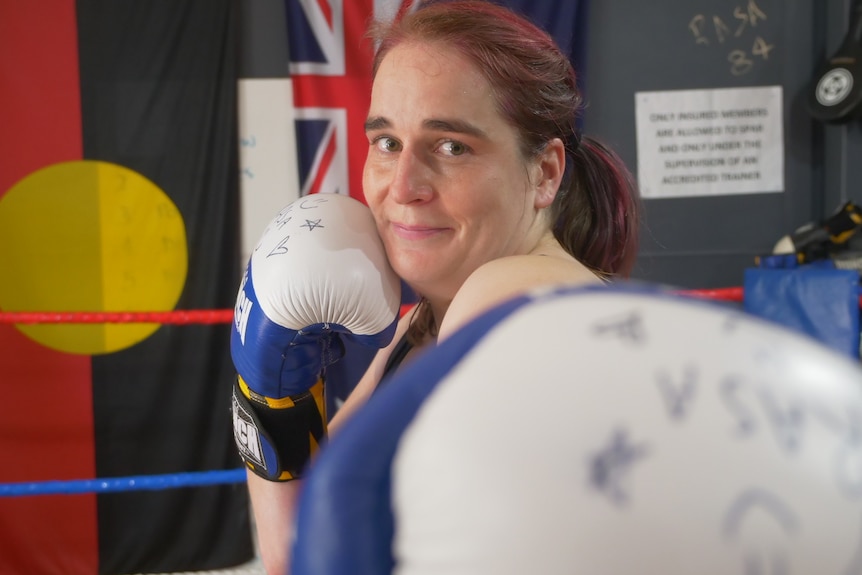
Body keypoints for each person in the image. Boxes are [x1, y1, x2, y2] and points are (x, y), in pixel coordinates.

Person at [237, 1, 640, 573]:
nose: (403, 187)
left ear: (545, 173)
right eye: (386, 143)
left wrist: (261, 395)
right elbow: (297, 553)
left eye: (451, 146)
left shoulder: (511, 299)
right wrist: (272, 396)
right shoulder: (421, 324)